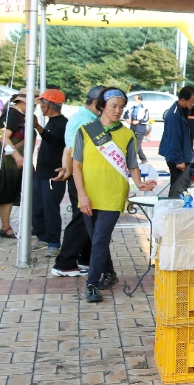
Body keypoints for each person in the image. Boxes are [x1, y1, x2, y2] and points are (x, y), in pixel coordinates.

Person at [73, 88, 156, 302]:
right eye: (113, 106)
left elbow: (132, 164)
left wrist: (139, 183)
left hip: (114, 194)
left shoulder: (128, 134)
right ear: (101, 106)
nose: (118, 111)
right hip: (88, 194)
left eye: (121, 107)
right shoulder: (85, 131)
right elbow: (77, 166)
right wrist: (82, 195)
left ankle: (91, 284)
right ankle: (109, 273)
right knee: (96, 238)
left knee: (100, 238)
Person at [51, 86, 103, 277]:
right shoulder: (87, 121)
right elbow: (72, 150)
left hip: (82, 174)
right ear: (97, 103)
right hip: (83, 176)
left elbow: (68, 149)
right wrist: (68, 170)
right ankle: (65, 263)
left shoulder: (83, 117)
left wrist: (66, 169)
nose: (116, 110)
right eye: (111, 105)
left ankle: (84, 259)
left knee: (88, 218)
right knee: (82, 219)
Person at [31, 89, 68, 257]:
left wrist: (37, 126)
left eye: (42, 103)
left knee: (50, 207)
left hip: (54, 174)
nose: (41, 107)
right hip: (42, 172)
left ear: (50, 105)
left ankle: (53, 242)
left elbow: (52, 139)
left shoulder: (62, 123)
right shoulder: (51, 122)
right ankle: (43, 237)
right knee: (38, 207)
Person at [0, 92, 28, 238]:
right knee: (7, 191)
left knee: (15, 191)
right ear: (22, 102)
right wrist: (17, 156)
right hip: (9, 160)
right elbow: (2, 137)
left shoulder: (22, 115)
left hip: (17, 159)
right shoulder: (11, 114)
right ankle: (5, 227)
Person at [159, 86, 194, 198]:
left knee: (180, 187)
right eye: (192, 101)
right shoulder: (174, 114)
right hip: (178, 158)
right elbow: (174, 139)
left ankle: (174, 206)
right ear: (183, 100)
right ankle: (173, 207)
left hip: (183, 156)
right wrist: (179, 160)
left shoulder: (181, 112)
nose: (193, 104)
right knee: (178, 189)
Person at [125, 94, 150, 162]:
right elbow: (126, 114)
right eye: (133, 100)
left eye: (135, 100)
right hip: (132, 128)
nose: (134, 101)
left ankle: (131, 161)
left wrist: (138, 121)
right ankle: (143, 159)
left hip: (140, 129)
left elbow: (146, 119)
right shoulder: (131, 108)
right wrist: (127, 119)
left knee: (136, 146)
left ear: (140, 100)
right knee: (134, 144)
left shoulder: (144, 108)